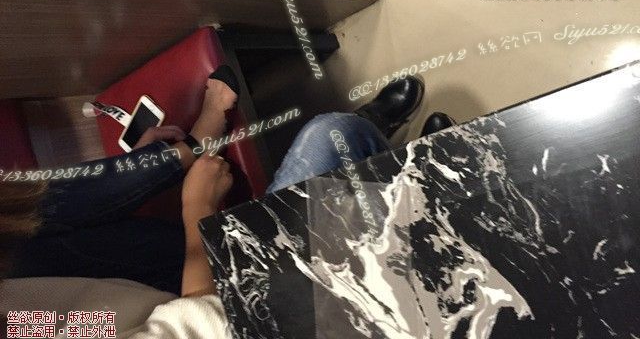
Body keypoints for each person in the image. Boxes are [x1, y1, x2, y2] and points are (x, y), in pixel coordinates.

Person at [1, 70, 432, 337]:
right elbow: (208, 326)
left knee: (32, 232)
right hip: (243, 317)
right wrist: (198, 215)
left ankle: (186, 150)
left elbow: (86, 320)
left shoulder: (25, 320)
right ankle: (420, 194)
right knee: (333, 136)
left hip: (159, 286)